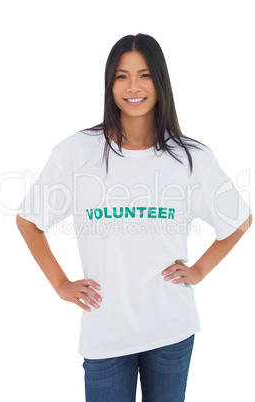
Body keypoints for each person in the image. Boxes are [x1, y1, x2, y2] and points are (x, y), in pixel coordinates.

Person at [16, 33, 252, 402]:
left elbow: (239, 219)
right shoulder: (77, 153)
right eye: (122, 76)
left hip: (171, 328)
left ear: (160, 81)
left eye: (144, 75)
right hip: (105, 329)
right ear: (110, 84)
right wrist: (61, 284)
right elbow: (29, 221)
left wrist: (201, 269)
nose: (133, 87)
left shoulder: (191, 158)